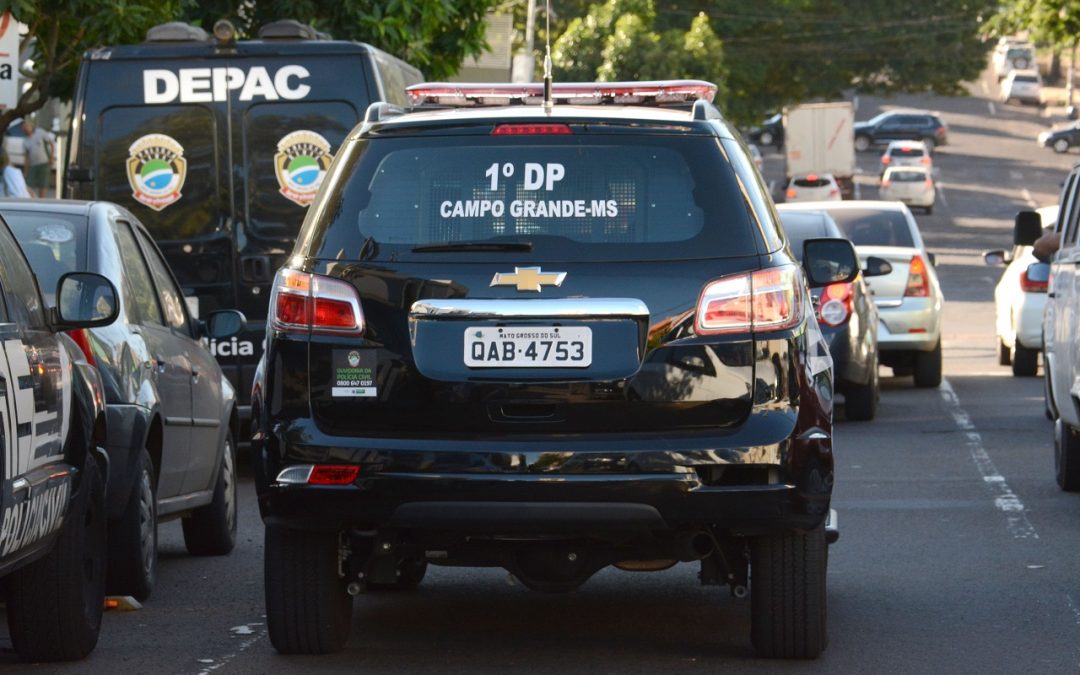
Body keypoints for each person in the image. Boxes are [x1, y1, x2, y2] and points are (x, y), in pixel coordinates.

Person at [22, 119, 54, 198]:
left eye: (26, 126)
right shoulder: (25, 141)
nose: (25, 128)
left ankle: (42, 202)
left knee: (43, 185)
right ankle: (33, 200)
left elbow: (51, 144)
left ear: (31, 126)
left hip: (44, 163)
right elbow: (26, 157)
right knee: (28, 185)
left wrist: (51, 157)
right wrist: (25, 171)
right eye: (23, 127)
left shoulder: (40, 132)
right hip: (33, 165)